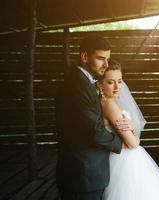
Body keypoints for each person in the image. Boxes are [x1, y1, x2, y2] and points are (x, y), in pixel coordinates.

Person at [55, 35, 134, 200]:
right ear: (84, 57)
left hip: (88, 173)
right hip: (82, 175)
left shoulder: (85, 83)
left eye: (108, 59)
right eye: (100, 58)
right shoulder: (77, 85)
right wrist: (122, 141)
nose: (106, 64)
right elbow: (95, 131)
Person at [96, 60, 159, 200]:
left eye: (119, 81)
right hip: (124, 161)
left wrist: (132, 127)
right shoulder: (110, 106)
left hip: (124, 157)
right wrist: (134, 135)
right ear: (99, 84)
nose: (117, 87)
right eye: (110, 82)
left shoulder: (108, 103)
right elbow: (132, 144)